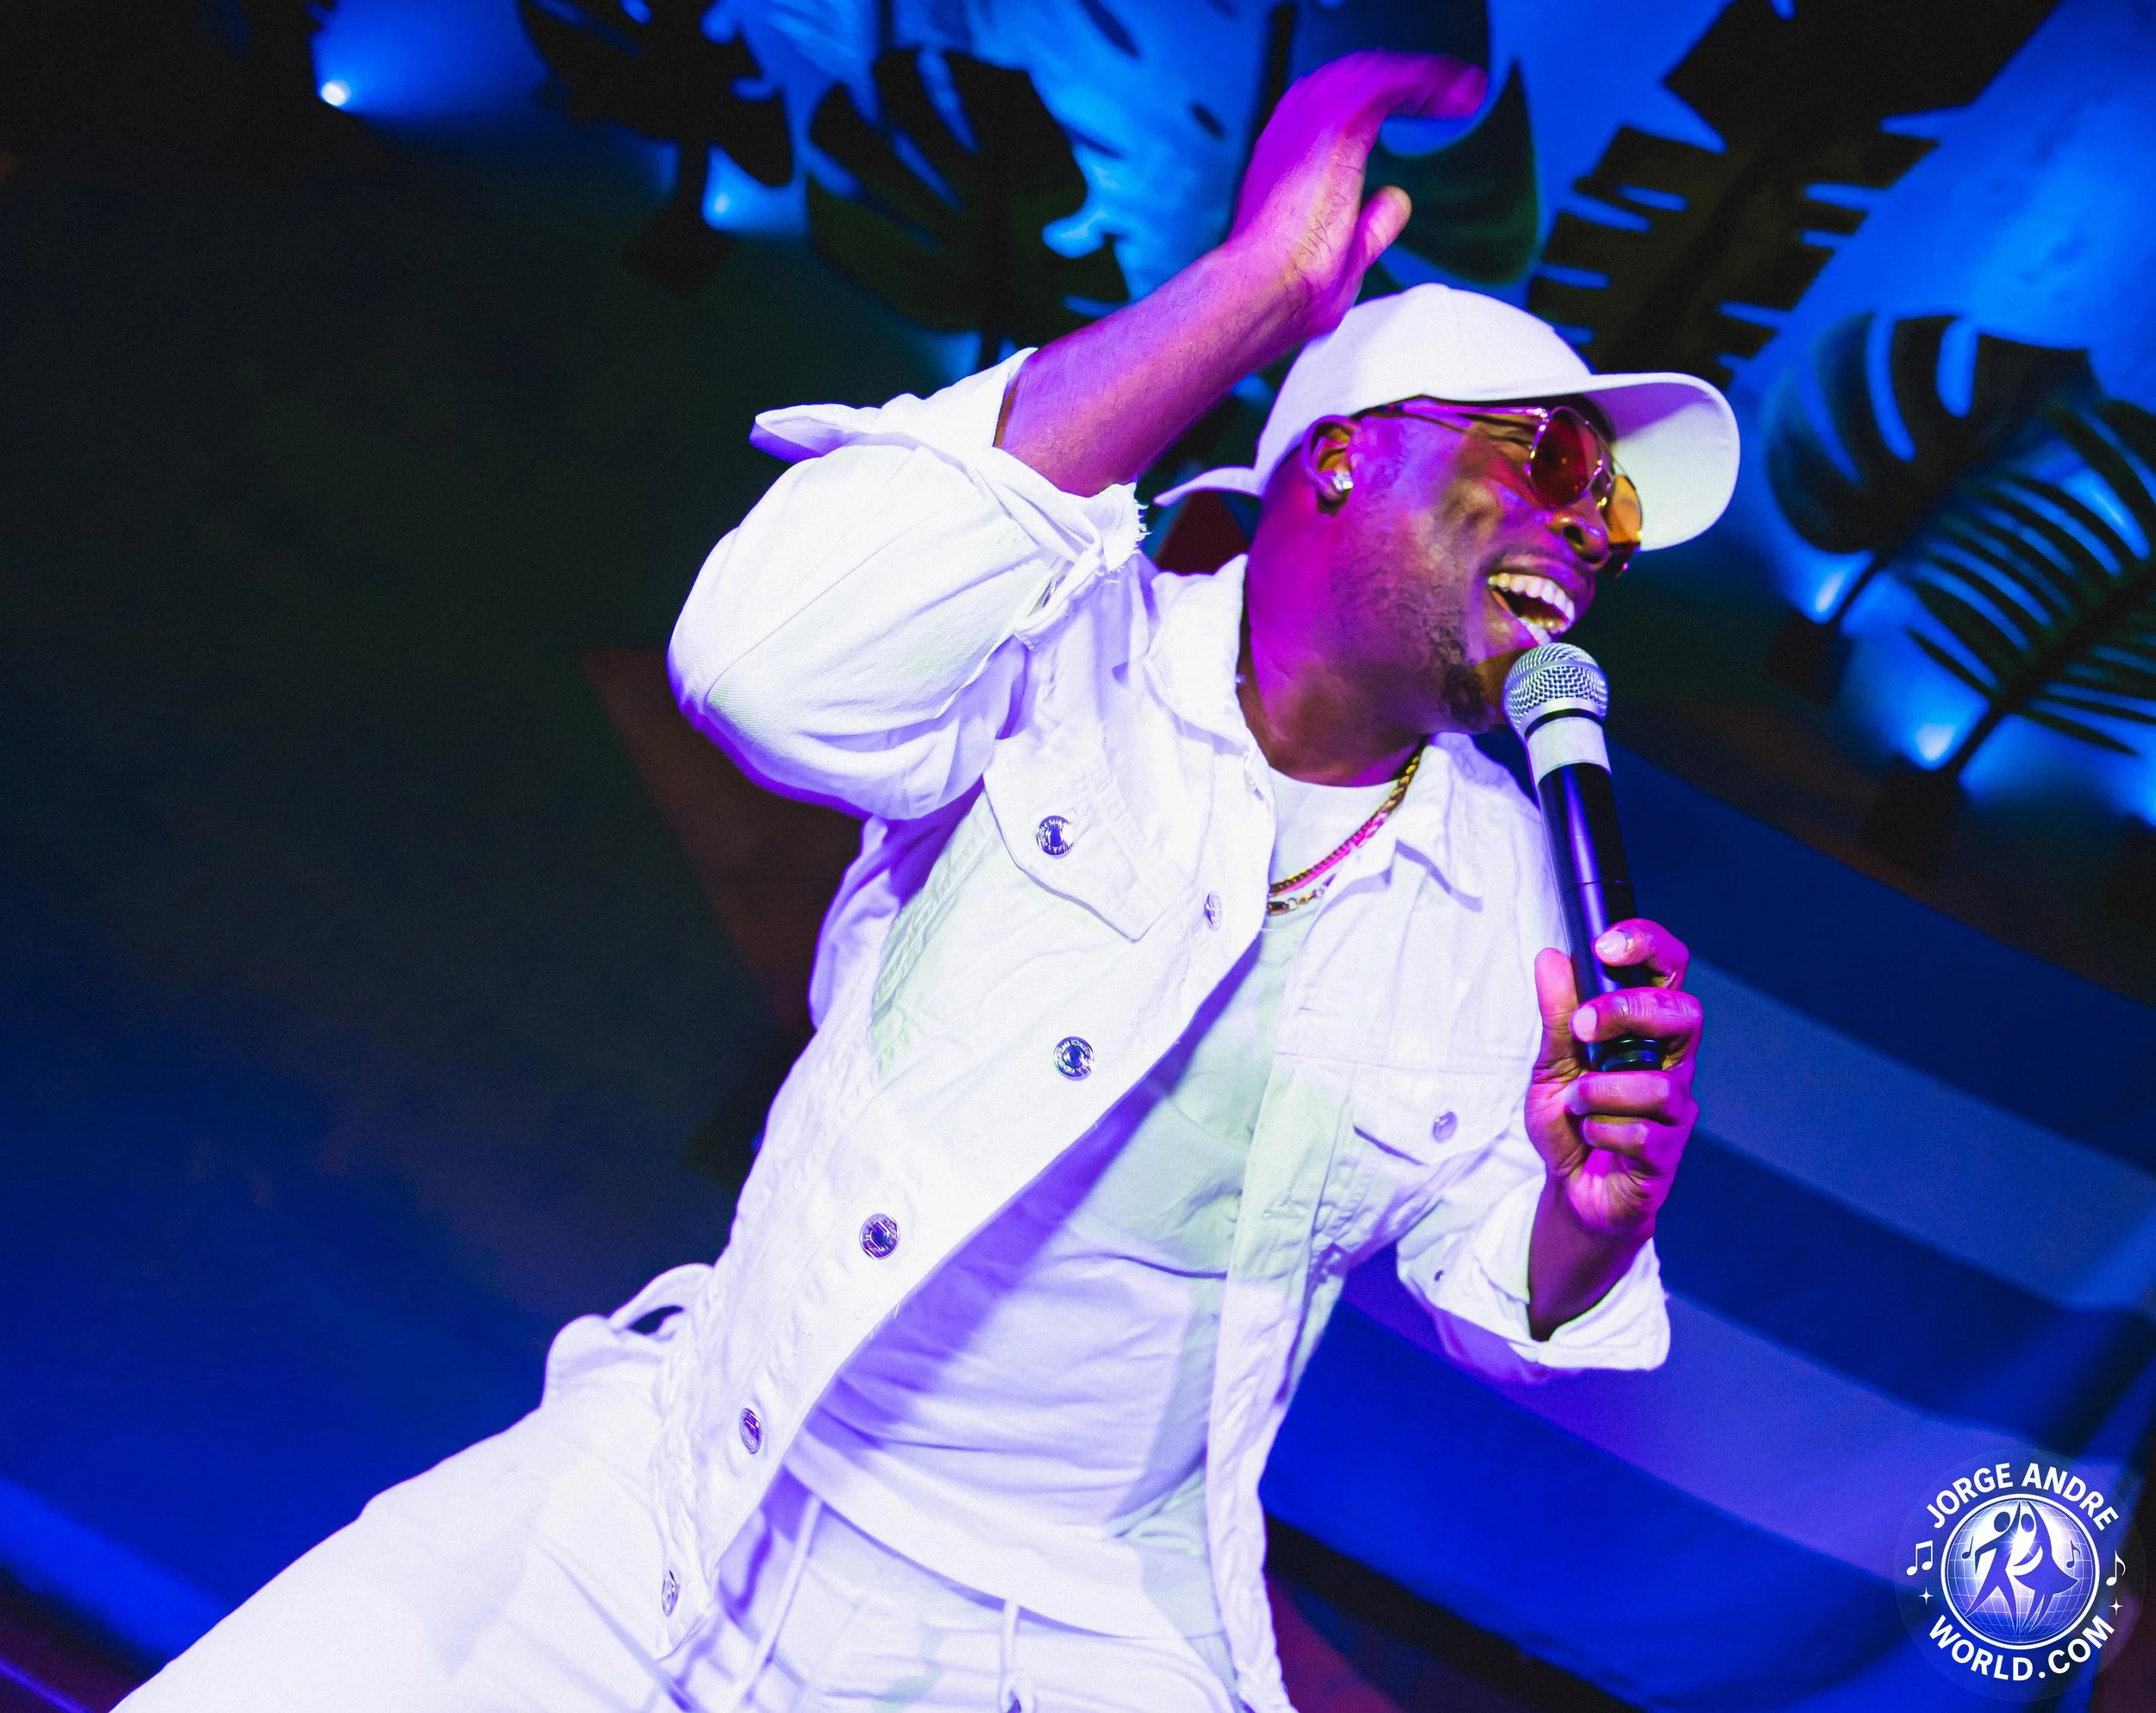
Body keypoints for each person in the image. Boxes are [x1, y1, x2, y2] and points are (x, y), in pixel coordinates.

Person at [121, 48, 1734, 1713]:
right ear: (1338, 459)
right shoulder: (1064, 640)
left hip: (1061, 1646)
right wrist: (1254, 295)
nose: (1591, 532)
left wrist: (1584, 1216)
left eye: (1612, 514)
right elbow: (761, 666)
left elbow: (1500, 1273)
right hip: (677, 1508)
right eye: (1552, 461)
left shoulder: (1514, 899)